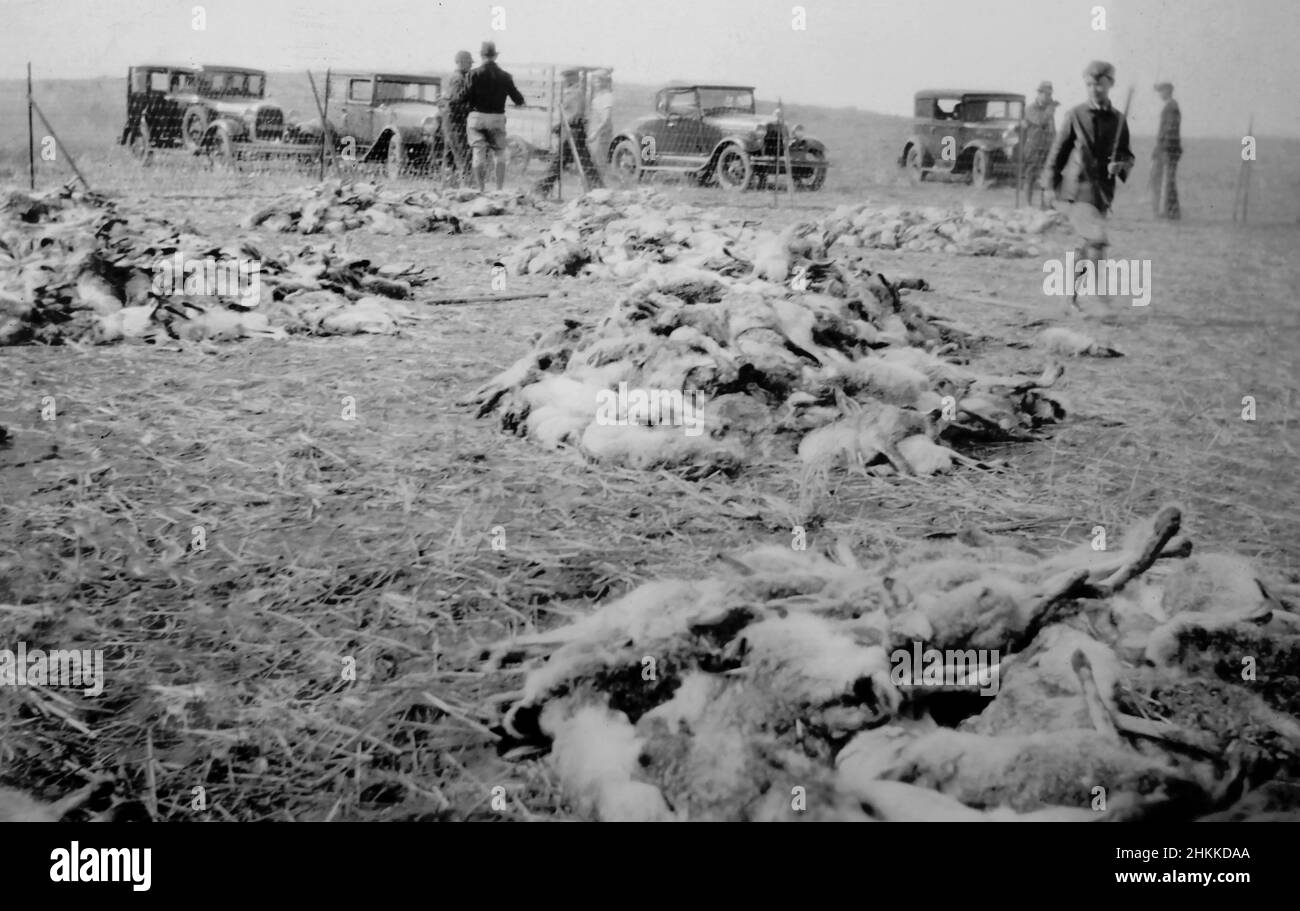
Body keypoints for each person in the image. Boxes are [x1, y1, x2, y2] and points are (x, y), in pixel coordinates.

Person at [1042, 60, 1135, 310]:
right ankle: (1099, 298)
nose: (1095, 89)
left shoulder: (1118, 120)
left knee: (1085, 247)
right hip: (1077, 189)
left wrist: (1121, 165)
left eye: (1100, 84)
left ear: (1110, 85)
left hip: (1102, 193)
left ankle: (1069, 299)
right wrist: (1049, 184)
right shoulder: (1075, 115)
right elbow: (1057, 151)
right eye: (1090, 84)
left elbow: (1127, 154)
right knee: (1097, 240)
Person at [465, 41, 526, 191]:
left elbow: (465, 97)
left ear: (481, 55)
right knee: (499, 153)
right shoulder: (505, 76)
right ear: (495, 55)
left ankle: (481, 189)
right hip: (497, 118)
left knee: (478, 152)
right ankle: (499, 189)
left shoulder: (472, 74)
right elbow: (518, 100)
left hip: (477, 116)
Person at [533, 69, 604, 197]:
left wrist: (560, 126)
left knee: (563, 162)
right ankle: (598, 188)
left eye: (566, 78)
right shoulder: (573, 92)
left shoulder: (576, 93)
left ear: (572, 78)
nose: (564, 81)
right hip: (570, 131)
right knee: (576, 162)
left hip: (573, 132)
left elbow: (575, 114)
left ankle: (541, 190)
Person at [1021, 81, 1059, 208]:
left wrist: (1055, 142)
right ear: (1039, 94)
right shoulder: (1031, 109)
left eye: (1050, 94)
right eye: (1046, 94)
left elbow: (1051, 127)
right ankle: (1028, 205)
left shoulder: (1048, 110)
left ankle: (1044, 205)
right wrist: (1050, 110)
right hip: (1033, 148)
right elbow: (1040, 121)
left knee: (1046, 177)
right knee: (1030, 176)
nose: (1049, 97)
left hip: (1047, 147)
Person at [1150, 82, 1181, 219]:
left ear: (1168, 91)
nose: (1160, 94)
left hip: (1168, 150)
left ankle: (1170, 212)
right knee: (1167, 181)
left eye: (1162, 91)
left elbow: (1168, 131)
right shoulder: (1171, 106)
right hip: (1168, 149)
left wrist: (1162, 150)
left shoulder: (1171, 107)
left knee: (1167, 181)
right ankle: (1171, 211)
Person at [443, 50, 474, 185]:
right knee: (463, 158)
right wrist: (473, 108)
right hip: (457, 123)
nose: (470, 66)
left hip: (452, 123)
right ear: (461, 62)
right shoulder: (459, 79)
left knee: (450, 158)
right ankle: (464, 187)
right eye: (468, 63)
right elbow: (455, 101)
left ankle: (449, 187)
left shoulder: (454, 77)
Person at [587, 70, 614, 165]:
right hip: (595, 133)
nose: (595, 83)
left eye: (598, 81)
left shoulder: (607, 97)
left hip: (603, 134)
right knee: (593, 160)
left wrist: (595, 133)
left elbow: (606, 119)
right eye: (594, 81)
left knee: (600, 161)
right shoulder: (597, 97)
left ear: (604, 82)